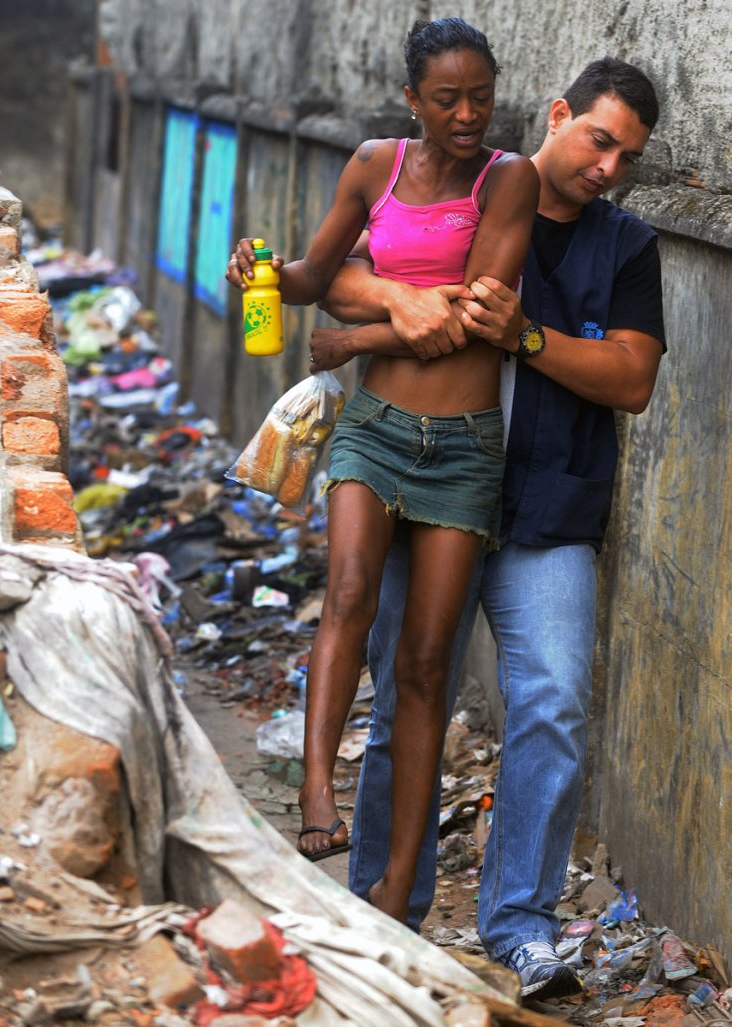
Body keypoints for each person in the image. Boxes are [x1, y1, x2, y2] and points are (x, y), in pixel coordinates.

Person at [310, 57, 665, 998]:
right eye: (598, 140)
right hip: (423, 487)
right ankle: (384, 905)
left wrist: (529, 338)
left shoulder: (624, 247)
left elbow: (632, 379)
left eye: (628, 157)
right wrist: (379, 306)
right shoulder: (466, 182)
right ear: (558, 115)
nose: (608, 169)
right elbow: (347, 271)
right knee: (403, 690)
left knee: (552, 702)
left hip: (547, 509)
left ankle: (519, 925)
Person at [227, 17, 539, 923]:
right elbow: (314, 273)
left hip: (465, 448)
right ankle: (319, 793)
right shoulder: (374, 164)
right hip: (374, 427)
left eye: (482, 96)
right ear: (413, 100)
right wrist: (265, 267)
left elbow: (474, 314)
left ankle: (400, 880)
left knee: (426, 665)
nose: (469, 114)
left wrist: (356, 327)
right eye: (448, 100)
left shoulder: (507, 179)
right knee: (353, 593)